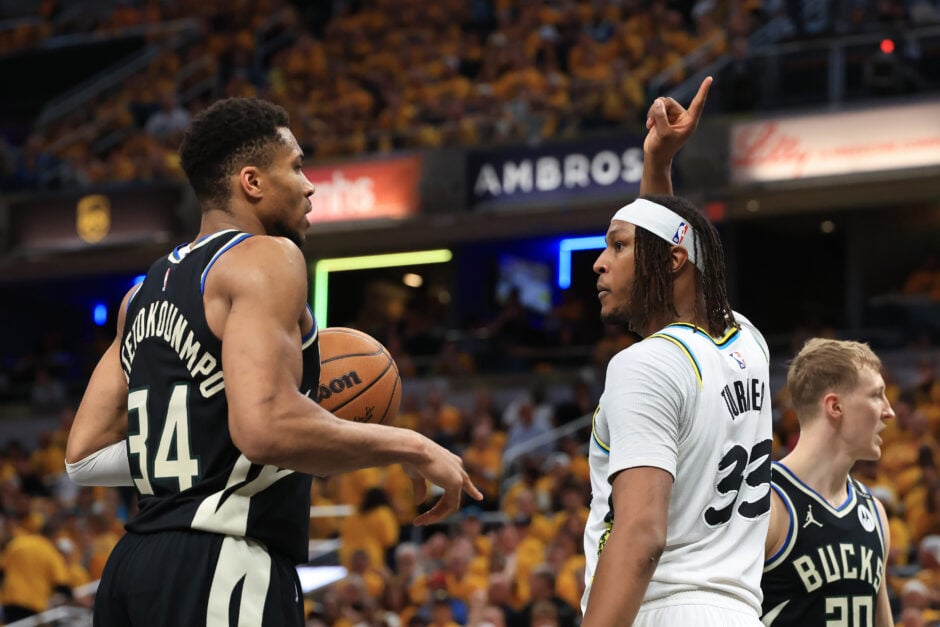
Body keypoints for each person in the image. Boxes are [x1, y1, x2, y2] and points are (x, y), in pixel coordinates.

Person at [64, 97, 481, 626]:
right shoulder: (268, 257)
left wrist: (211, 445)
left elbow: (83, 457)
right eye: (297, 167)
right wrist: (411, 444)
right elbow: (263, 428)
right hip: (222, 562)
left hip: (132, 569)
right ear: (252, 182)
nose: (310, 186)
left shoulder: (139, 296)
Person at [581, 76, 773, 627]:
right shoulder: (748, 340)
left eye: (618, 246)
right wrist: (658, 163)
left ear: (670, 261)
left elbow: (641, 532)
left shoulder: (644, 364)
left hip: (661, 608)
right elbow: (671, 246)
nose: (599, 262)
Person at [761, 338, 895, 626]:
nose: (889, 411)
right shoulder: (765, 503)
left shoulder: (874, 512)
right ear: (835, 406)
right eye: (876, 395)